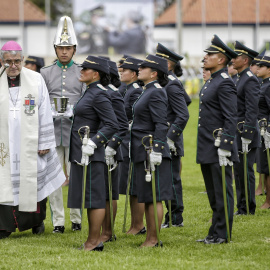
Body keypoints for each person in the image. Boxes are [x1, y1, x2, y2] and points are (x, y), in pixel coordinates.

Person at [0, 41, 65, 239]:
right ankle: (4, 226)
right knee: (5, 182)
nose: (13, 66)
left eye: (17, 61)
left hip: (30, 141)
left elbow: (44, 111)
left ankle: (36, 222)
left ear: (22, 59)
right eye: (8, 61)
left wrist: (44, 141)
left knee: (34, 178)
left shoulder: (35, 79)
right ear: (1, 61)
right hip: (4, 144)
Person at [67, 56, 118, 251]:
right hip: (83, 153)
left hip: (91, 154)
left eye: (86, 69)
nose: (82, 71)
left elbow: (112, 123)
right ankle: (92, 239)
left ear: (95, 74)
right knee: (88, 197)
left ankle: (94, 241)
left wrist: (95, 142)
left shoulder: (99, 94)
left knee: (94, 197)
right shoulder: (90, 91)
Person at [41, 16, 84, 233]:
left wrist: (73, 112)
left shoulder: (83, 72)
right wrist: (48, 110)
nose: (64, 51)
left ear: (74, 49)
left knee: (76, 177)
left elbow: (87, 101)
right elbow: (40, 101)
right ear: (55, 49)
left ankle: (76, 219)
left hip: (74, 132)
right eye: (60, 47)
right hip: (51, 132)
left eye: (68, 47)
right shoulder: (45, 73)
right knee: (54, 179)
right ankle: (58, 221)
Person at [196, 35, 238, 244]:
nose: (205, 57)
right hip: (207, 144)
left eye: (210, 54)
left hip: (219, 144)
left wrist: (226, 144)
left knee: (222, 190)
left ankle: (223, 233)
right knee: (213, 192)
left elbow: (231, 116)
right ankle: (215, 230)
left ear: (221, 59)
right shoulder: (212, 81)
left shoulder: (224, 83)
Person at [131, 54, 173, 247]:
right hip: (143, 149)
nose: (139, 69)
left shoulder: (156, 92)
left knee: (154, 196)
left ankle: (154, 238)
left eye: (144, 67)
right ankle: (150, 237)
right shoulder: (147, 90)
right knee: (148, 196)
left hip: (151, 151)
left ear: (154, 73)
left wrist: (157, 149)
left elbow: (161, 124)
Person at [155, 43, 189, 228]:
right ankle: (171, 216)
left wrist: (171, 136)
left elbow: (183, 113)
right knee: (167, 178)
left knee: (173, 179)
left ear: (168, 64)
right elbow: (187, 101)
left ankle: (176, 218)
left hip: (171, 139)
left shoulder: (172, 84)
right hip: (166, 136)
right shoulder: (167, 82)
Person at [100, 60, 129, 242]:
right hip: (98, 146)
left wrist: (112, 146)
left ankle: (108, 231)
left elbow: (122, 125)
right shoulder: (101, 92)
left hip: (110, 147)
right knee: (101, 192)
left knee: (109, 193)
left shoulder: (113, 93)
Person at [231, 41, 260, 215]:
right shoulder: (239, 78)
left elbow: (252, 108)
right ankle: (241, 205)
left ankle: (248, 206)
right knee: (238, 171)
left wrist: (247, 133)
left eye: (236, 57)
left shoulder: (250, 79)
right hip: (237, 131)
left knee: (246, 171)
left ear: (245, 60)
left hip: (245, 133)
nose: (232, 60)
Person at [119, 56, 145, 235]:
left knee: (135, 186)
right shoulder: (129, 89)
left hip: (132, 139)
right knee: (131, 187)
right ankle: (135, 225)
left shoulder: (135, 90)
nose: (121, 73)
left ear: (134, 74)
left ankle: (138, 225)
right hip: (127, 139)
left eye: (124, 71)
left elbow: (135, 115)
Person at [256, 56, 270, 209]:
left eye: (262, 66)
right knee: (264, 166)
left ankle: (269, 201)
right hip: (263, 129)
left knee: (268, 167)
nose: (258, 68)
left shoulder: (268, 86)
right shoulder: (263, 84)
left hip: (268, 131)